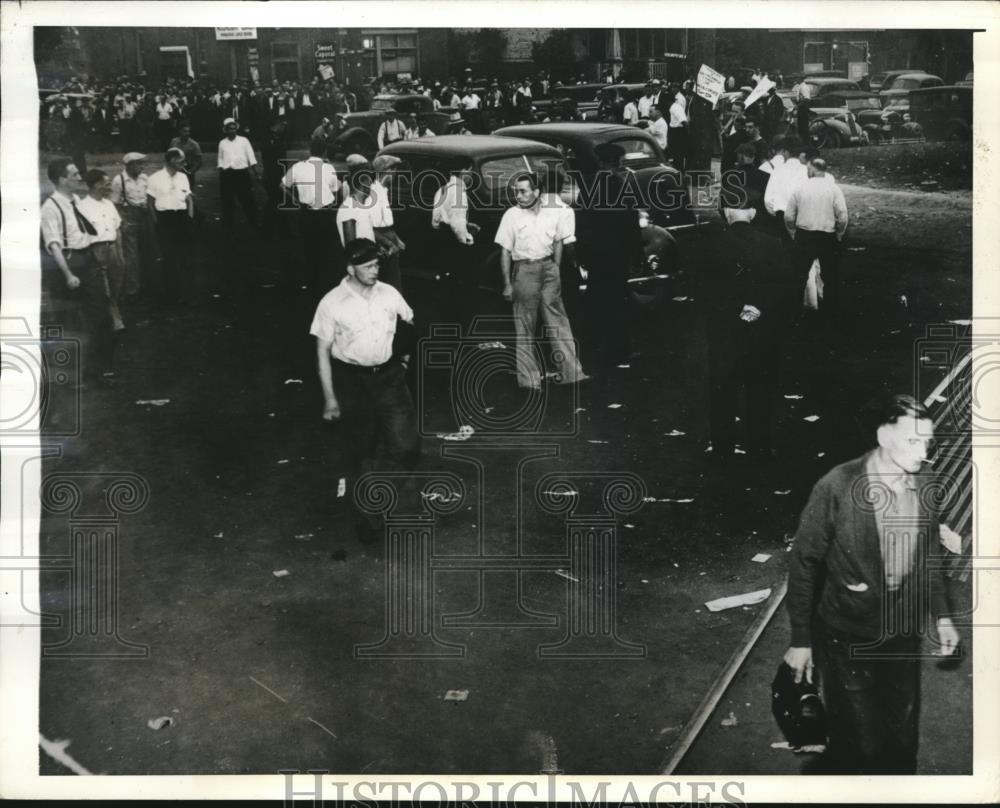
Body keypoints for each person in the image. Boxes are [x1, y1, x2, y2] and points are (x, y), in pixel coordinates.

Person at [784, 393, 960, 774]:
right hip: (848, 632)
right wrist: (800, 639)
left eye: (927, 441)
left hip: (902, 632)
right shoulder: (838, 486)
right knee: (861, 744)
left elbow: (930, 553)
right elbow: (804, 563)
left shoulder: (925, 482)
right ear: (883, 435)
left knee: (902, 739)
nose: (923, 451)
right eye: (913, 440)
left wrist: (942, 617)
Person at [309, 237, 420, 544]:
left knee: (407, 447)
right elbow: (322, 351)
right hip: (353, 381)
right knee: (362, 452)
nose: (375, 270)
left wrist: (404, 365)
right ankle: (369, 516)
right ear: (350, 268)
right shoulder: (332, 302)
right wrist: (330, 398)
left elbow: (409, 327)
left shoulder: (389, 293)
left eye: (377, 264)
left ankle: (373, 496)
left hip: (390, 378)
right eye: (369, 266)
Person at [701, 206, 796, 461]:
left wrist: (735, 307)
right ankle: (760, 447)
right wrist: (759, 307)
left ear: (725, 213)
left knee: (722, 392)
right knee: (760, 390)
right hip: (763, 333)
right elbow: (787, 287)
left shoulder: (712, 244)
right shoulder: (773, 244)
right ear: (752, 213)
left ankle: (723, 449)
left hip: (725, 332)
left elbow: (704, 289)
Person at [495, 172, 587, 391]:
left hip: (548, 271)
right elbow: (505, 252)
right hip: (524, 271)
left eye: (523, 191)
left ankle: (572, 373)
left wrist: (555, 267)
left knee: (558, 322)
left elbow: (558, 242)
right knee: (525, 326)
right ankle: (529, 380)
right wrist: (507, 284)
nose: (518, 195)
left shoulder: (552, 213)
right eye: (516, 191)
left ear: (537, 192)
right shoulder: (511, 215)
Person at [40, 157, 113, 387]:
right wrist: (68, 274)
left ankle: (95, 371)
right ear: (62, 180)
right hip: (68, 265)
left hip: (87, 259)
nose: (80, 178)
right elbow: (53, 245)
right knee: (71, 321)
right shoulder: (50, 208)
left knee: (100, 314)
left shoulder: (77, 201)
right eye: (75, 175)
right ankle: (74, 376)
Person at [576, 144, 644, 375]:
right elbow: (631, 222)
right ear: (616, 164)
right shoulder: (622, 186)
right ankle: (618, 351)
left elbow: (582, 223)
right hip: (618, 254)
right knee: (618, 301)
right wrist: (637, 254)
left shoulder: (588, 187)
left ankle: (591, 346)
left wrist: (583, 254)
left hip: (596, 255)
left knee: (595, 298)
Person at [784, 157, 849, 316]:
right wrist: (839, 234)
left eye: (808, 169)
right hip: (827, 236)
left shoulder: (800, 188)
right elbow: (842, 215)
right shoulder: (834, 189)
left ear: (813, 169)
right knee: (831, 277)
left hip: (804, 235)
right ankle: (830, 312)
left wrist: (793, 232)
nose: (807, 171)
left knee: (798, 276)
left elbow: (789, 216)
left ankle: (795, 312)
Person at [283, 139, 343, 294]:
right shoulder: (328, 167)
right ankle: (326, 284)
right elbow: (336, 190)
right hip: (325, 214)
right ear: (324, 152)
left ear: (310, 150)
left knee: (309, 249)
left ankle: (312, 283)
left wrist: (295, 198)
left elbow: (283, 185)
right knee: (327, 250)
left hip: (306, 213)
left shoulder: (298, 167)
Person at [78, 168, 126, 332]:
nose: (110, 187)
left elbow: (117, 228)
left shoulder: (109, 204)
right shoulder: (82, 207)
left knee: (115, 285)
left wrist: (119, 252)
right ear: (96, 185)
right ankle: (114, 320)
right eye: (106, 184)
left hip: (113, 249)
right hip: (96, 250)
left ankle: (112, 310)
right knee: (102, 288)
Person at [432, 167, 481, 328]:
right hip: (455, 240)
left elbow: (436, 219)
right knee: (461, 280)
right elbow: (457, 222)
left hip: (442, 237)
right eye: (469, 171)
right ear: (463, 172)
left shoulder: (442, 189)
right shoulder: (459, 192)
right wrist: (467, 238)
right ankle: (461, 319)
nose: (471, 175)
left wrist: (464, 225)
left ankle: (445, 314)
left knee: (446, 276)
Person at [146, 148, 195, 305]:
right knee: (169, 257)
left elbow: (189, 199)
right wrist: (156, 223)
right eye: (181, 161)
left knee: (185, 255)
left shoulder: (183, 177)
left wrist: (190, 218)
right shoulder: (155, 178)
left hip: (182, 218)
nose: (184, 163)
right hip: (164, 220)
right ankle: (172, 294)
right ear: (172, 160)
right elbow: (150, 203)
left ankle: (187, 293)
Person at [109, 152, 156, 297]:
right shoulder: (119, 180)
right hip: (129, 218)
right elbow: (115, 204)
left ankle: (149, 285)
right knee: (131, 255)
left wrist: (147, 208)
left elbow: (149, 197)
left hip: (144, 216)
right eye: (139, 164)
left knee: (148, 251)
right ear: (129, 165)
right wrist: (122, 222)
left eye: (143, 163)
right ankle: (132, 288)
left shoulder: (144, 178)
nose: (142, 167)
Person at [369, 154, 407, 291]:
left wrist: (397, 239)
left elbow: (386, 224)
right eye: (394, 169)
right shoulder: (374, 194)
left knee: (393, 284)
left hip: (389, 241)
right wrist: (390, 243)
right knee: (386, 286)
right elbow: (371, 227)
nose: (396, 173)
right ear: (386, 171)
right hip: (381, 245)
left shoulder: (384, 191)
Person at [217, 117, 259, 231]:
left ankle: (254, 223)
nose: (232, 131)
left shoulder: (244, 140)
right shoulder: (222, 143)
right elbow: (220, 159)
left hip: (242, 174)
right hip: (227, 175)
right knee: (227, 201)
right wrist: (222, 171)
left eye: (234, 128)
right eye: (229, 129)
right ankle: (228, 226)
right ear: (225, 130)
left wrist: (256, 172)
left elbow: (251, 157)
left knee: (247, 199)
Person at [764, 136, 807, 239]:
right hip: (802, 216)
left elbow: (768, 200)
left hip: (781, 216)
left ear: (785, 152)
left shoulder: (777, 171)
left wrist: (774, 212)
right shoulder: (806, 171)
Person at [336, 162, 377, 249]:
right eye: (372, 182)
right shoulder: (348, 209)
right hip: (362, 262)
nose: (373, 186)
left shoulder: (361, 207)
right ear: (365, 182)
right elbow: (351, 250)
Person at [168, 121, 203, 187]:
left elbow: (199, 161)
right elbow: (169, 156)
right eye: (185, 131)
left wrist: (191, 171)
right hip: (175, 171)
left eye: (188, 131)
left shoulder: (194, 144)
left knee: (187, 193)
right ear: (179, 131)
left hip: (188, 170)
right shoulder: (173, 142)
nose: (187, 133)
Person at [667, 86, 689, 174]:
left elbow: (684, 121)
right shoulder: (672, 107)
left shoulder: (675, 107)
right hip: (674, 131)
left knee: (678, 155)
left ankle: (681, 174)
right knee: (676, 155)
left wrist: (686, 134)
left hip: (678, 132)